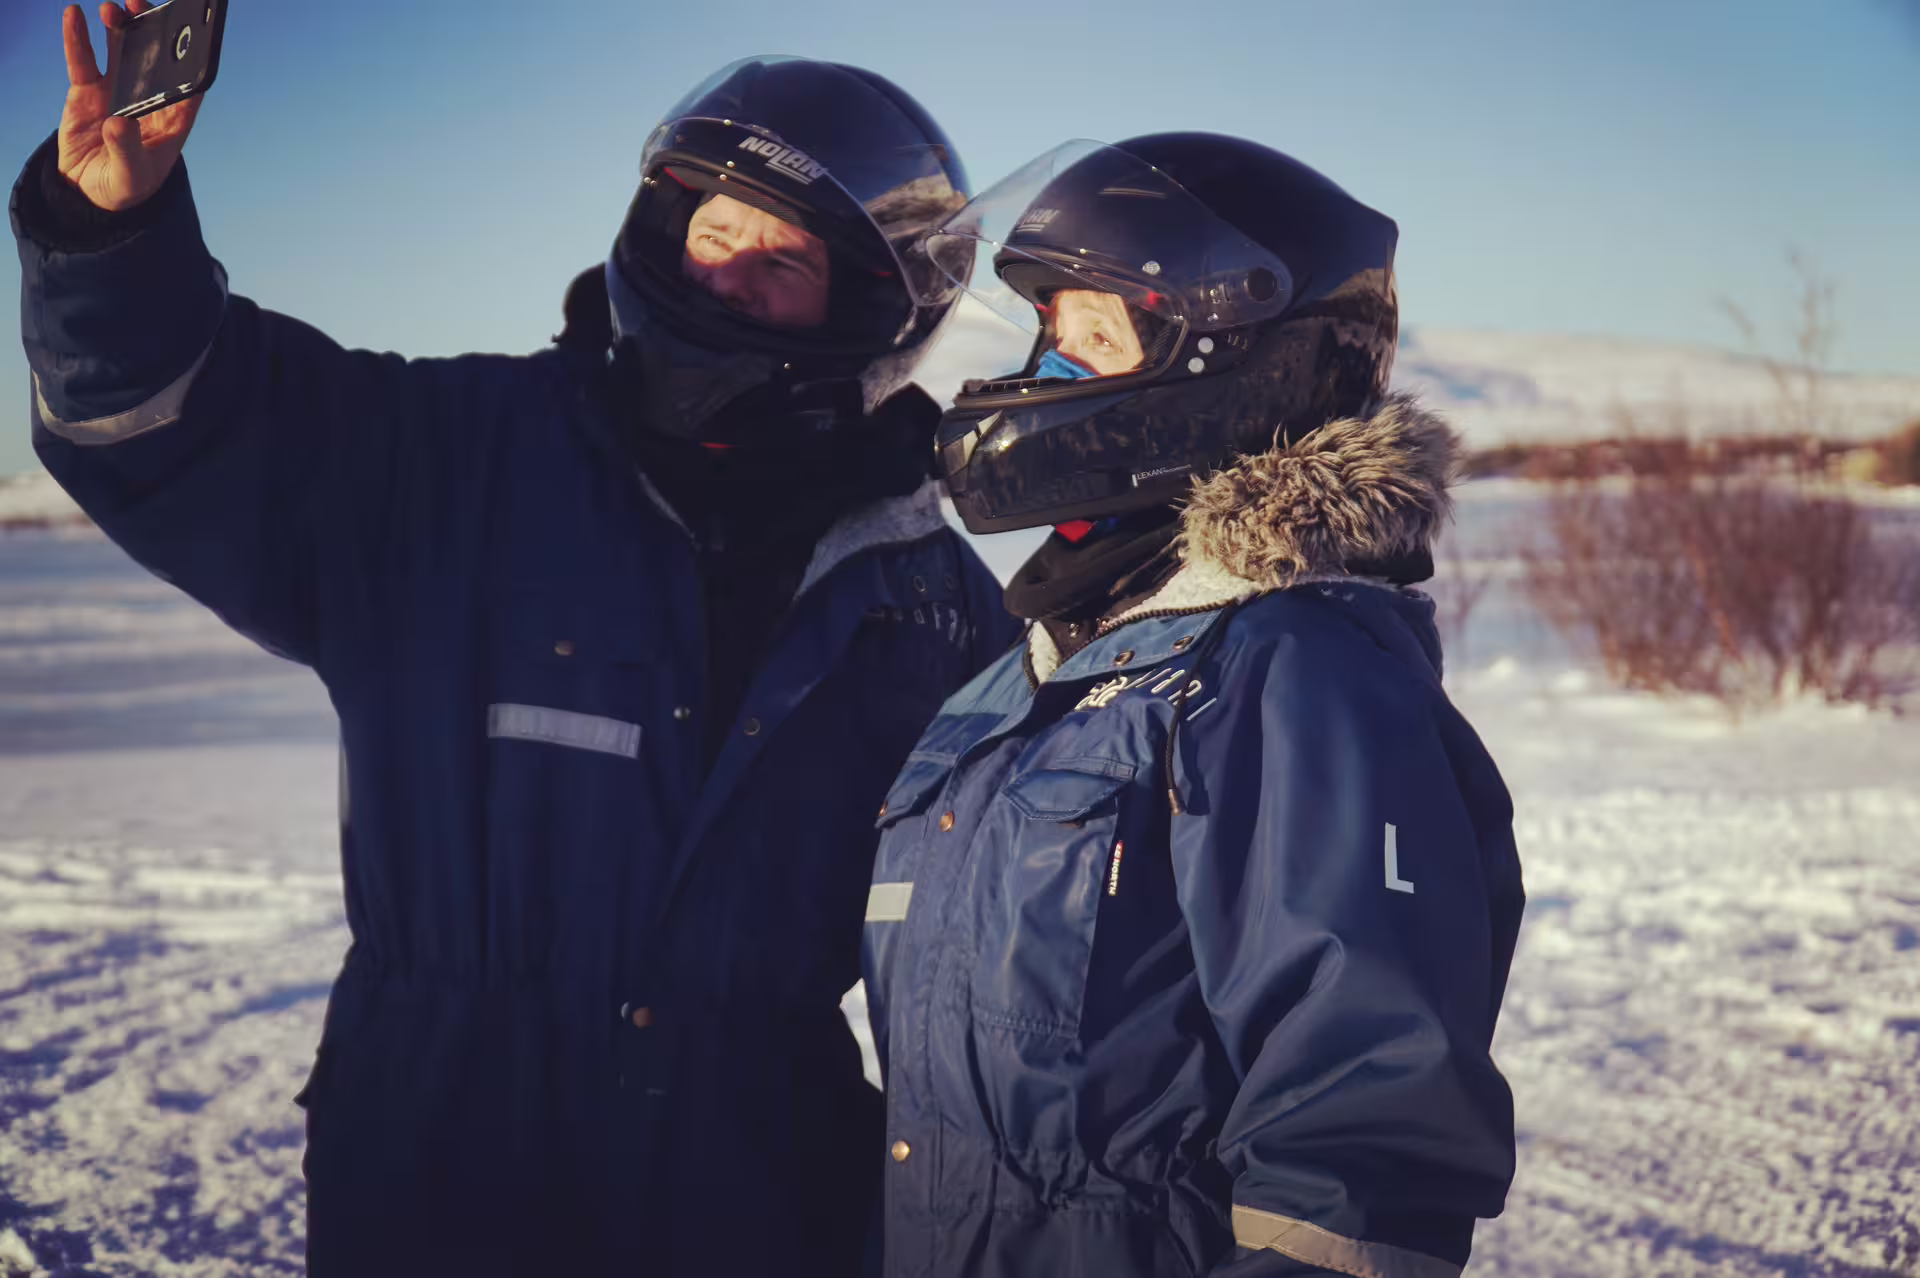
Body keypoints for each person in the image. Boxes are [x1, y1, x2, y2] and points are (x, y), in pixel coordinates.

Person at [15, 5, 1018, 1274]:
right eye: (711, 233)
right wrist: (109, 239)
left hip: (756, 1179)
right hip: (444, 1161)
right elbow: (179, 425)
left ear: (865, 306)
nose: (726, 277)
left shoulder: (921, 590)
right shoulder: (453, 458)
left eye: (782, 262)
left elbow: (1000, 949)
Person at [861, 135, 1525, 1277]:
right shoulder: (1028, 671)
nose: (1049, 371)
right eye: (1048, 334)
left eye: (1093, 338)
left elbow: (1362, 1138)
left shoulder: (1295, 674)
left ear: (1225, 363)